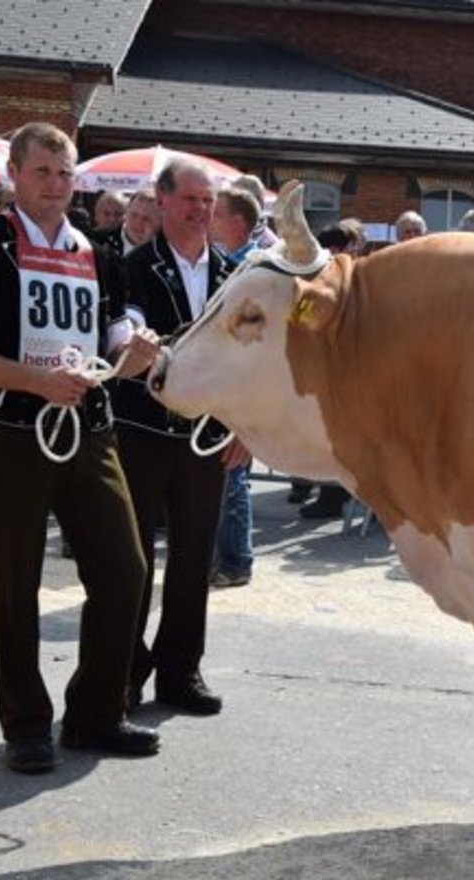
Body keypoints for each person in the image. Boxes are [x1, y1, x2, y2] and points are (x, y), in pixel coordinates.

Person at [0, 122, 162, 772]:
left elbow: (117, 347)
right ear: (14, 175)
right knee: (17, 579)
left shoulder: (99, 255)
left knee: (126, 569)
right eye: (42, 172)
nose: (56, 185)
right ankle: (26, 724)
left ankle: (95, 713)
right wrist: (35, 380)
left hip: (88, 428)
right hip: (10, 430)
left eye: (64, 173)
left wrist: (138, 355)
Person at [113, 157, 240, 714]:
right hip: (142, 430)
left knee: (194, 559)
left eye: (208, 201)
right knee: (133, 560)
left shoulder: (233, 273)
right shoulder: (134, 266)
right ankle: (124, 671)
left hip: (206, 436)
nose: (200, 210)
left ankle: (181, 671)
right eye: (190, 199)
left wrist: (244, 425)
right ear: (161, 200)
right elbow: (129, 340)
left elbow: (249, 359)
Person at [208, 186, 262, 589]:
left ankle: (237, 560)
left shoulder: (250, 270)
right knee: (227, 476)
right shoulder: (227, 264)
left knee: (234, 475)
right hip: (224, 384)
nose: (210, 218)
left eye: (218, 212)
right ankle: (226, 557)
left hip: (240, 387)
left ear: (238, 222)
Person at [96, 189, 158, 256]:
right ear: (126, 213)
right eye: (134, 215)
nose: (138, 223)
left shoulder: (162, 252)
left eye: (146, 219)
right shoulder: (99, 242)